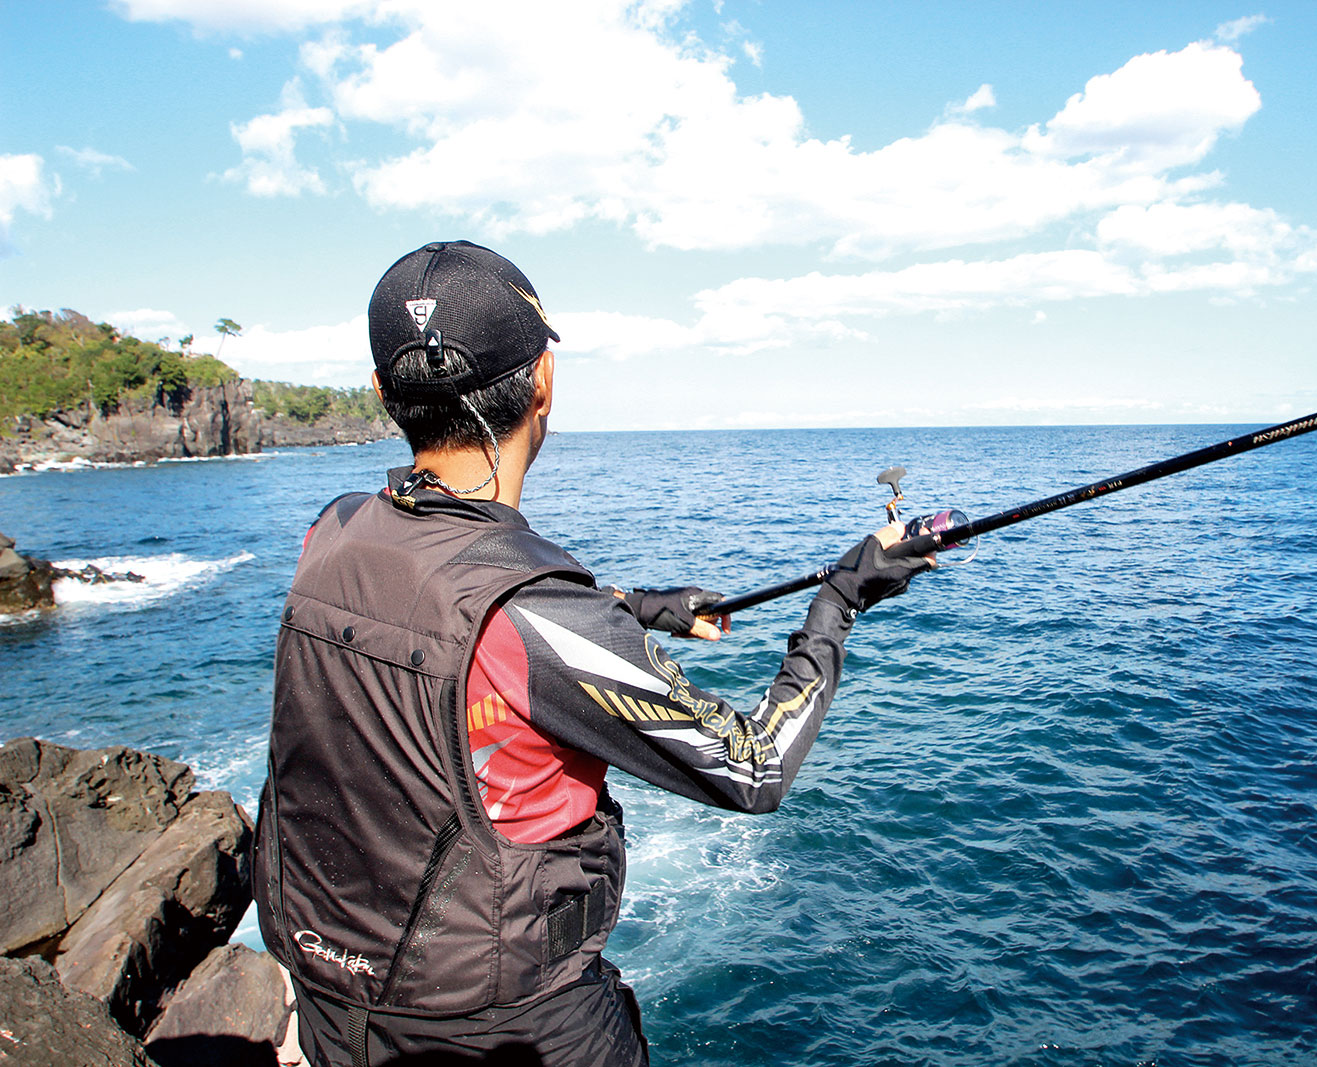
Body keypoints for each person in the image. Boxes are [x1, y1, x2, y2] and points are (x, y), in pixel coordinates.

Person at [251, 240, 932, 1066]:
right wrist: (840, 600)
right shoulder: (535, 615)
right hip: (501, 1032)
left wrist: (642, 611)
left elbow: (455, 606)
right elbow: (753, 768)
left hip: (336, 1004)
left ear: (383, 391)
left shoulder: (331, 531)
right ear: (543, 382)